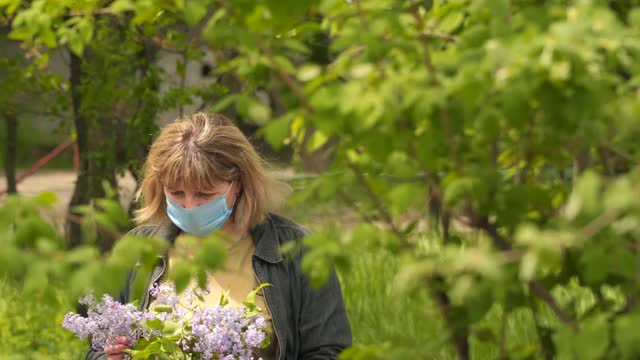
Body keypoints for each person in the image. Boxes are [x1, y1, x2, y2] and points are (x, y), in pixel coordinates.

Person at [85, 113, 352, 360]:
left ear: (238, 184)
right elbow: (96, 348)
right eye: (177, 194)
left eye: (204, 194)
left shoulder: (297, 249)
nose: (190, 206)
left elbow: (330, 350)